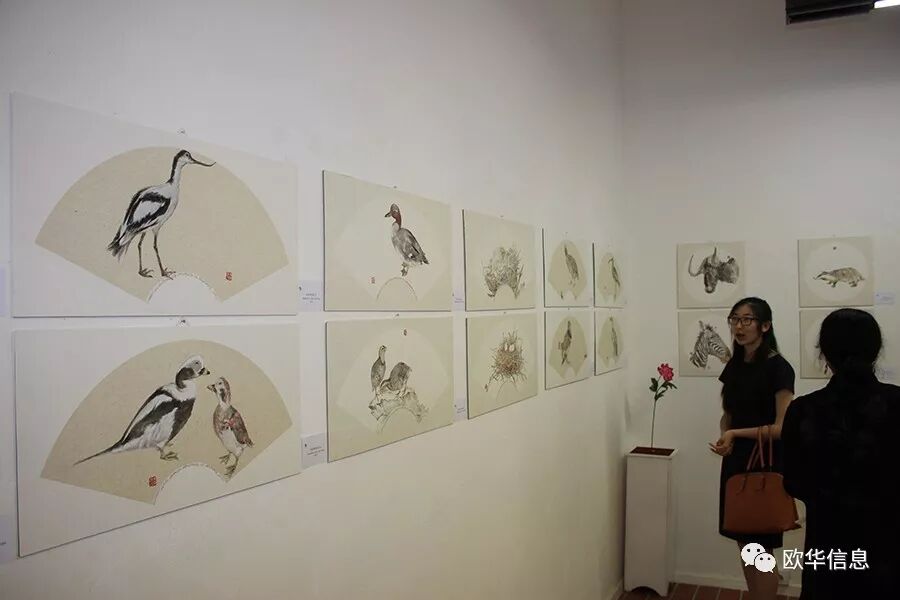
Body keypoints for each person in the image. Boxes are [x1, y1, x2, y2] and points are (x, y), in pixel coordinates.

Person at [781, 308, 899, 598]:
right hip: (887, 544)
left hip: (828, 542)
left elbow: (793, 482)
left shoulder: (804, 410)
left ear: (824, 354)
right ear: (876, 351)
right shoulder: (896, 404)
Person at [709, 297, 795, 600]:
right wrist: (725, 435)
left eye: (747, 319)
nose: (739, 326)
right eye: (735, 319)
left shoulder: (779, 368)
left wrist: (734, 433)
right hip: (736, 461)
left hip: (765, 463)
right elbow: (728, 414)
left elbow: (781, 428)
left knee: (761, 548)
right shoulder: (734, 365)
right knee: (745, 544)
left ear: (765, 326)